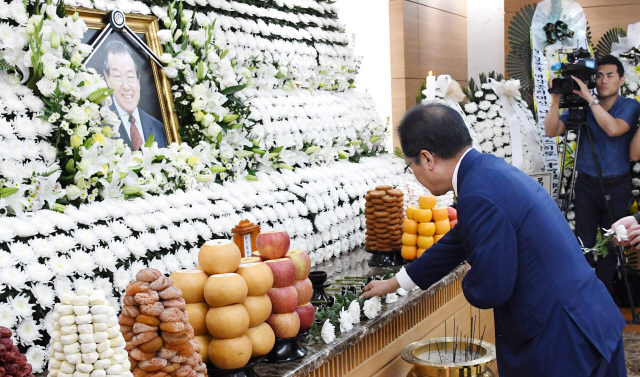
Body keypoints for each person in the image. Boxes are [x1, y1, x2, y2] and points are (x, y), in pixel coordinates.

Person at [362, 103, 626, 376]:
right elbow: (460, 237)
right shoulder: (486, 170)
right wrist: (397, 282)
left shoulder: (476, 192)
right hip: (587, 319)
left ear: (427, 159)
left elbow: (492, 288)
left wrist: (470, 275)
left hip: (562, 339)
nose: (414, 176)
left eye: (410, 166)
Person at [544, 55, 640, 290]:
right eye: (599, 75)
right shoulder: (583, 108)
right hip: (586, 184)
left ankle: (604, 295)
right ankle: (585, 295)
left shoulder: (629, 106)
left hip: (617, 185)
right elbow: (551, 130)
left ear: (622, 80)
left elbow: (614, 129)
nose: (603, 80)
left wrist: (589, 98)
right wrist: (556, 101)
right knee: (583, 242)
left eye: (610, 75)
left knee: (611, 242)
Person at [102, 40, 168, 150]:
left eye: (130, 76)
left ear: (138, 79)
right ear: (107, 78)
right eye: (118, 76)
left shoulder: (159, 128)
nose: (126, 86)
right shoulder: (99, 124)